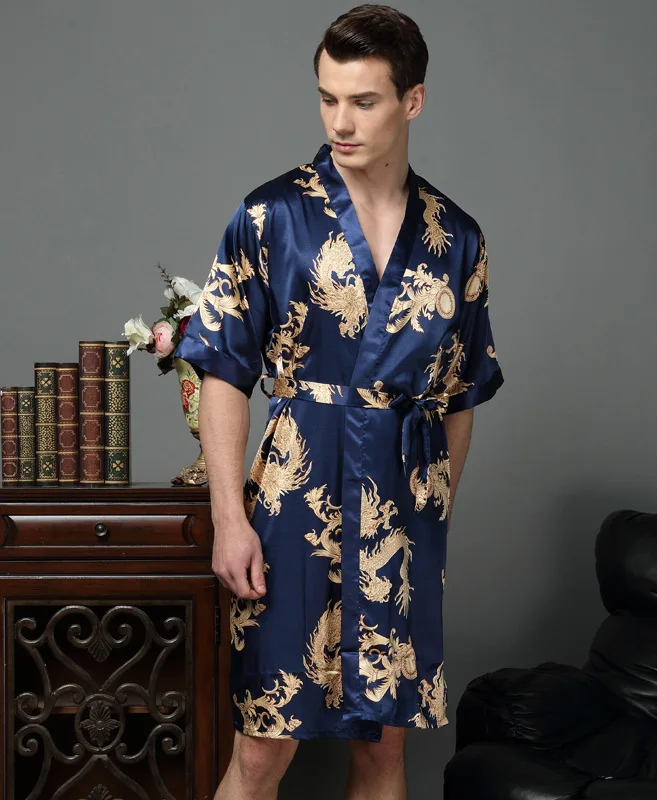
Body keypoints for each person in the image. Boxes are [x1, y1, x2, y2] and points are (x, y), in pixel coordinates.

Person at [174, 4, 503, 798]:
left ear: (412, 101)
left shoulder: (456, 238)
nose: (340, 122)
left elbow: (460, 392)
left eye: (363, 101)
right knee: (263, 749)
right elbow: (222, 370)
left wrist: (432, 512)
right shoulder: (271, 216)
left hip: (400, 516)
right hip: (294, 503)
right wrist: (230, 519)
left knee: (384, 750)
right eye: (327, 99)